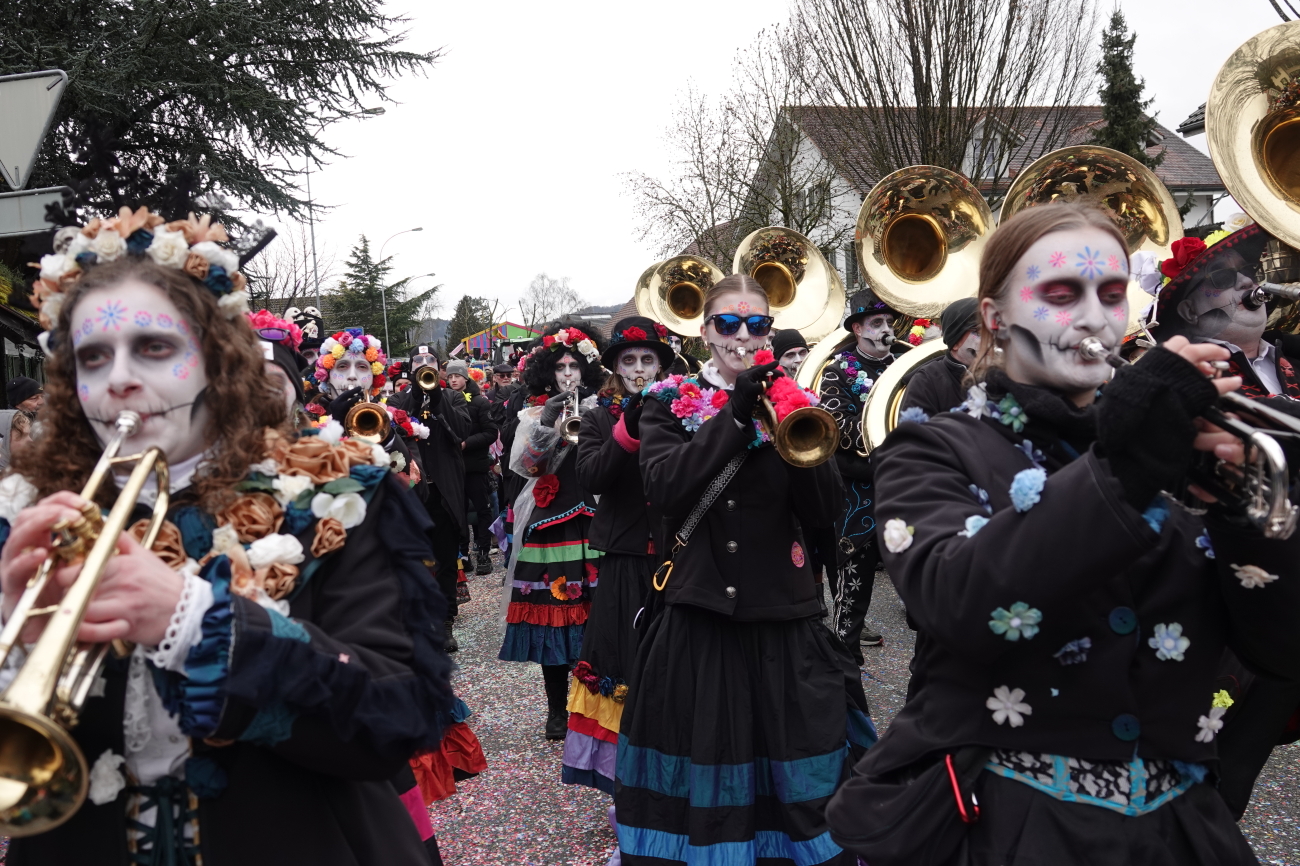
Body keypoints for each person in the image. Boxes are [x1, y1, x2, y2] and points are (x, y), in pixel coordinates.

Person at [827, 201, 1300, 865]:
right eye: (1059, 293)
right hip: (1005, 826)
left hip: (1175, 832)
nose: (1092, 317)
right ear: (995, 318)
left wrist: (1246, 515)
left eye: (1110, 294)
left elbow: (1280, 652)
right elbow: (960, 603)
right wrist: (1130, 463)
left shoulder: (1173, 445)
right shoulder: (930, 449)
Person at [6, 208, 454, 865]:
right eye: (93, 356)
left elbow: (397, 718)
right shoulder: (26, 510)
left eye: (154, 347)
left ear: (216, 359)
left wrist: (195, 622)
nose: (119, 378)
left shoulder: (341, 491)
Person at [614, 274, 872, 866]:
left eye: (756, 324)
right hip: (701, 619)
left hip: (783, 618)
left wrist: (795, 415)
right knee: (706, 764)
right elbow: (665, 489)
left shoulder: (794, 399)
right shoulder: (666, 403)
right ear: (705, 331)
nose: (742, 336)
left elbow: (824, 512)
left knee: (798, 774)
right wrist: (733, 416)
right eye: (728, 323)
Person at [1146, 219, 1300, 819]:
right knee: (1215, 760)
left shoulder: (1291, 355)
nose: (1246, 285)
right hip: (1232, 592)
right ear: (1189, 309)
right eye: (1222, 280)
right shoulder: (1185, 372)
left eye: (1247, 275)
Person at [564, 315, 673, 795]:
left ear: (661, 366)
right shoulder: (597, 418)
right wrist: (627, 428)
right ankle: (624, 779)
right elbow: (592, 477)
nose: (639, 369)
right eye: (629, 360)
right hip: (626, 558)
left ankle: (673, 772)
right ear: (616, 367)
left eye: (648, 359)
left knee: (674, 663)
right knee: (622, 663)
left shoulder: (683, 410)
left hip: (676, 556)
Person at [498, 323, 605, 740]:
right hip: (550, 525)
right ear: (548, 372)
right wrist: (546, 422)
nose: (568, 374)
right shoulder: (531, 414)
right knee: (552, 619)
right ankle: (557, 709)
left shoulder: (601, 408)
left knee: (599, 618)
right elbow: (525, 467)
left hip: (595, 521)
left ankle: (594, 705)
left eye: (574, 366)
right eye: (560, 367)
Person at [817, 288, 900, 659]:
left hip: (906, 497)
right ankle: (843, 676)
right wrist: (892, 430)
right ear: (858, 329)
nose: (886, 329)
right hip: (859, 505)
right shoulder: (837, 372)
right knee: (851, 604)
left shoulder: (906, 367)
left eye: (889, 322)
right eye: (877, 322)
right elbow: (839, 430)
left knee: (925, 598)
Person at [389, 345, 470, 652]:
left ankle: (445, 620)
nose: (425, 364)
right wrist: (414, 396)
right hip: (412, 492)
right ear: (410, 367)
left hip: (443, 490)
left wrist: (436, 397)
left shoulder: (451, 396)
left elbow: (462, 430)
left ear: (439, 366)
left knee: (446, 559)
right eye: (419, 361)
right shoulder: (398, 400)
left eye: (430, 360)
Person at [445, 359, 499, 575]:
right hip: (453, 468)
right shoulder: (444, 400)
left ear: (466, 379)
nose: (453, 380)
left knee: (482, 509)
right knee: (456, 512)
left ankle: (483, 552)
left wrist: (467, 443)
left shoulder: (479, 402)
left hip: (475, 466)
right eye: (450, 376)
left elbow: (490, 432)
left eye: (457, 376)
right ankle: (463, 555)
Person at [898, 296, 981, 418]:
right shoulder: (925, 381)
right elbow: (913, 429)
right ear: (956, 342)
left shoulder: (1003, 372)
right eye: (980, 331)